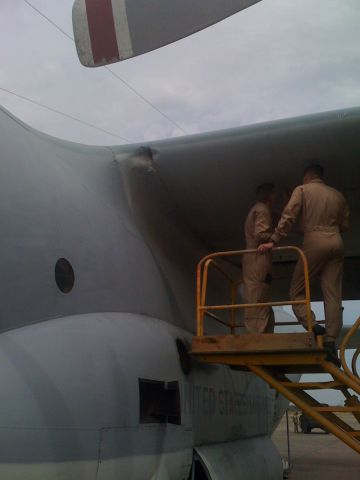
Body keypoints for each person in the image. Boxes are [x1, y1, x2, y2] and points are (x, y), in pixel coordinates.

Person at [258, 164, 349, 356]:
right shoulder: (338, 195)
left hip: (315, 241)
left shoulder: (302, 189)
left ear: (307, 176)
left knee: (297, 290)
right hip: (336, 241)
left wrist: (274, 240)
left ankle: (313, 325)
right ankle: (331, 338)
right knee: (332, 292)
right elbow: (345, 225)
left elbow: (289, 215)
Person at [243, 183, 276, 334]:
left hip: (253, 257)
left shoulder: (255, 209)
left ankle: (260, 333)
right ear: (269, 196)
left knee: (257, 296)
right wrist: (277, 235)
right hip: (258, 258)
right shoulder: (262, 209)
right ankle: (257, 335)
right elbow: (261, 234)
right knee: (259, 296)